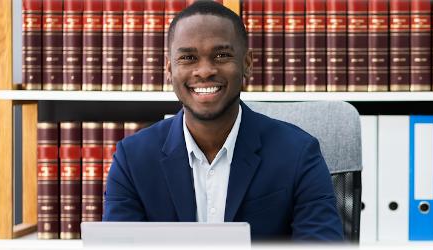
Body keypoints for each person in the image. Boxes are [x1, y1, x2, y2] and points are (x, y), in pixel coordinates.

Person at [102, 1, 344, 241]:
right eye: (188, 57)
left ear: (247, 64)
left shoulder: (299, 153)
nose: (205, 70)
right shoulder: (132, 160)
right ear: (169, 69)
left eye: (221, 55)